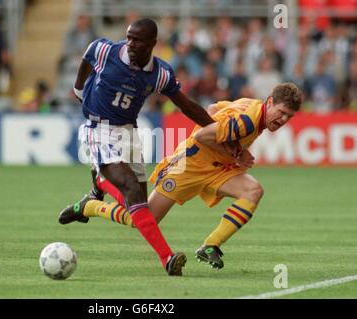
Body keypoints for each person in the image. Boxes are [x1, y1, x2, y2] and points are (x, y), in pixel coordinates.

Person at [62, 82, 302, 269]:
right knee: (141, 220)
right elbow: (201, 136)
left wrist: (234, 151)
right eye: (281, 112)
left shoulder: (252, 105)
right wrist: (238, 153)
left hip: (216, 168)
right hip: (188, 165)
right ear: (270, 102)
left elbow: (213, 109)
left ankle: (210, 246)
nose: (283, 120)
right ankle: (90, 206)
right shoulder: (248, 120)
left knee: (253, 191)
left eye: (289, 117)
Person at [59, 18, 215, 276]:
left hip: (129, 132)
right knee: (131, 190)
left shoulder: (160, 73)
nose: (130, 43)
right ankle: (167, 258)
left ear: (152, 43)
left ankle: (93, 198)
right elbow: (87, 58)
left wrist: (216, 129)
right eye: (129, 37)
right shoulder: (106, 50)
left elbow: (186, 105)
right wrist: (78, 89)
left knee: (139, 214)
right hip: (99, 128)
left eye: (137, 40)